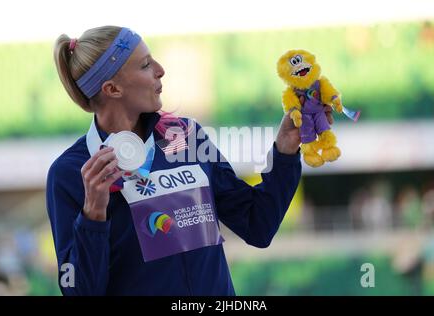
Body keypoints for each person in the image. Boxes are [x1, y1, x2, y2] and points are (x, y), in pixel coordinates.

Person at [47, 25, 304, 296]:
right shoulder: (70, 173)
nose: (160, 69)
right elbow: (79, 291)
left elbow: (258, 225)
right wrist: (93, 215)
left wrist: (285, 150)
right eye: (146, 65)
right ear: (112, 88)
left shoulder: (186, 137)